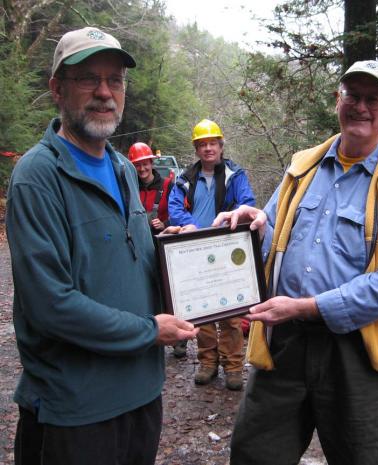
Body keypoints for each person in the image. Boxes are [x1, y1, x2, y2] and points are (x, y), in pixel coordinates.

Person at [212, 60, 378, 465]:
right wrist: (254, 224)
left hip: (361, 353)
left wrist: (312, 307)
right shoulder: (302, 166)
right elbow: (271, 237)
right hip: (285, 343)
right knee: (254, 453)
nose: (361, 107)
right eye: (353, 96)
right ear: (338, 101)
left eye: (373, 99)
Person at [6, 26, 199, 465]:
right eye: (88, 78)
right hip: (75, 409)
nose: (104, 92)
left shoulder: (123, 168)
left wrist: (179, 251)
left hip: (141, 394)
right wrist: (151, 331)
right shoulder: (38, 177)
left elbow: (127, 253)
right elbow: (50, 304)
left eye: (115, 80)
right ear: (57, 89)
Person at [168, 119, 256, 389]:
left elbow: (247, 203)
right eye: (202, 144)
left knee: (230, 313)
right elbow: (174, 206)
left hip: (225, 250)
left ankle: (233, 366)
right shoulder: (185, 179)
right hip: (195, 250)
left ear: (220, 146)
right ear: (196, 148)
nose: (208, 149)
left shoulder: (235, 175)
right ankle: (208, 363)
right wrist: (187, 223)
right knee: (202, 311)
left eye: (212, 144)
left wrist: (234, 216)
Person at [128, 142, 173, 235]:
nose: (142, 169)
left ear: (151, 163)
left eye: (145, 164)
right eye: (137, 165)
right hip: (139, 240)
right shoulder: (131, 187)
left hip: (162, 239)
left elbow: (179, 211)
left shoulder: (168, 185)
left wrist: (165, 224)